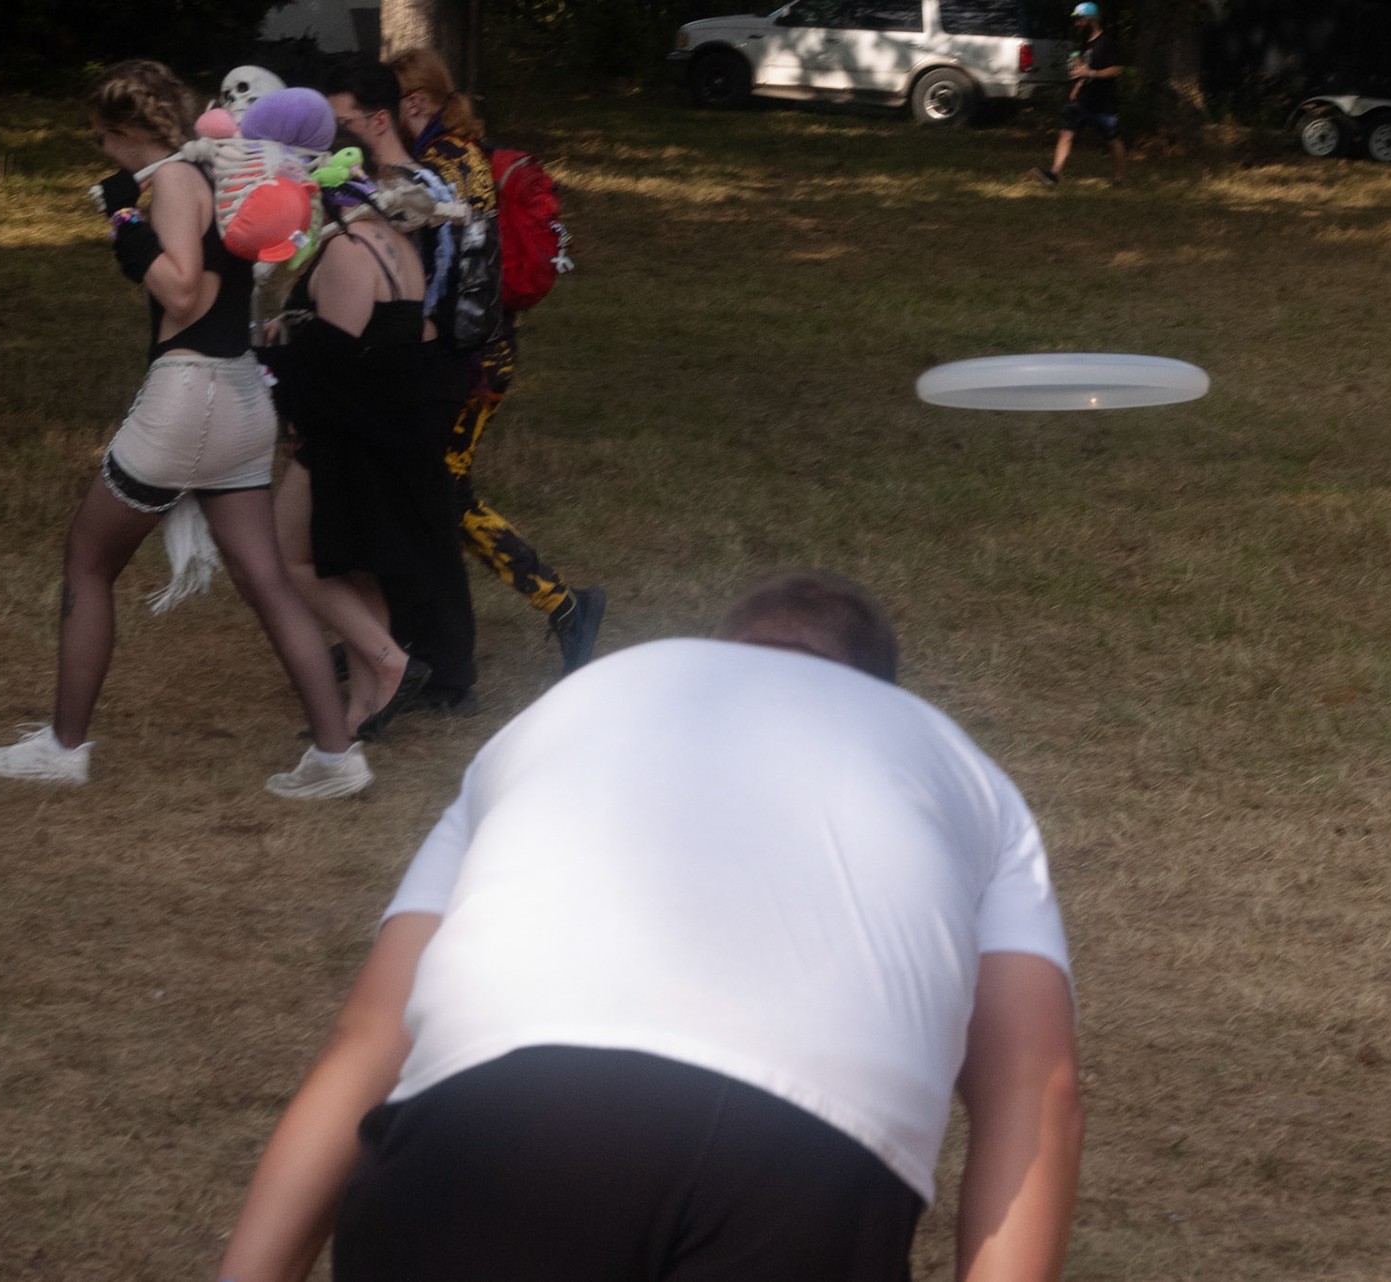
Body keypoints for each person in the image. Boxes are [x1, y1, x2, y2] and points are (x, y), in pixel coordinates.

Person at [215, 569, 1084, 1282]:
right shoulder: (966, 773)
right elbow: (1035, 1091)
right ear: (877, 692)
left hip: (497, 1120)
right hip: (808, 1170)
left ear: (721, 649)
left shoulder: (564, 712)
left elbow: (367, 1039)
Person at [0, 61, 371, 800]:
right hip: (243, 397)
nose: (102, 150)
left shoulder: (175, 181)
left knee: (88, 562)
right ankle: (335, 755)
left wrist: (124, 222)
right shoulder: (225, 169)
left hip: (187, 397)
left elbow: (184, 291)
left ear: (129, 130)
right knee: (267, 583)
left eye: (104, 137)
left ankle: (63, 748)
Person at [392, 48, 607, 701]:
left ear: (415, 102)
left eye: (387, 99)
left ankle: (564, 604)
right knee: (433, 495)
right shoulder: (461, 152)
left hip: (473, 359)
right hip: (483, 349)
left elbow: (453, 266)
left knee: (446, 496)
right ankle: (397, 637)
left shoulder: (445, 163)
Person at [259, 170, 472, 743]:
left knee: (287, 557)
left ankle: (390, 660)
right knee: (356, 569)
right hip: (389, 427)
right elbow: (381, 334)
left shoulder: (348, 250)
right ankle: (363, 710)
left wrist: (270, 369)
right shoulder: (397, 246)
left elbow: (335, 360)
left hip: (351, 432)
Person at [320, 59, 481, 707]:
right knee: (398, 518)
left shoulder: (411, 191)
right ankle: (398, 647)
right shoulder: (380, 186)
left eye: (343, 122)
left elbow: (419, 293)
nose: (332, 138)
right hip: (405, 365)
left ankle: (444, 672)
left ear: (379, 121)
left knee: (423, 523)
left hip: (420, 366)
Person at [1033, 2, 1127, 187]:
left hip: (1103, 103)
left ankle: (1119, 179)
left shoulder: (1106, 43)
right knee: (1066, 133)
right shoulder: (1083, 45)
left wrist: (1090, 73)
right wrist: (1078, 83)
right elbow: (1084, 69)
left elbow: (1116, 70)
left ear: (1091, 19)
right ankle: (1054, 174)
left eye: (1079, 20)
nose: (1077, 24)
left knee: (1112, 139)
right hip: (1083, 101)